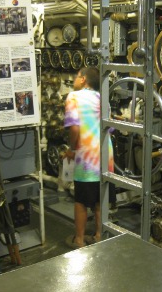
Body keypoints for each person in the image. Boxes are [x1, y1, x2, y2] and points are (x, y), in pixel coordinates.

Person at [63, 67, 114, 249]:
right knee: (100, 200)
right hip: (105, 158)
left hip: (86, 159)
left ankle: (79, 239)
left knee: (81, 201)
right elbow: (109, 128)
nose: (75, 80)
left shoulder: (73, 97)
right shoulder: (103, 99)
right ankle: (99, 235)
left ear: (83, 79)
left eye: (77, 76)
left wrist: (71, 149)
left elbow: (75, 128)